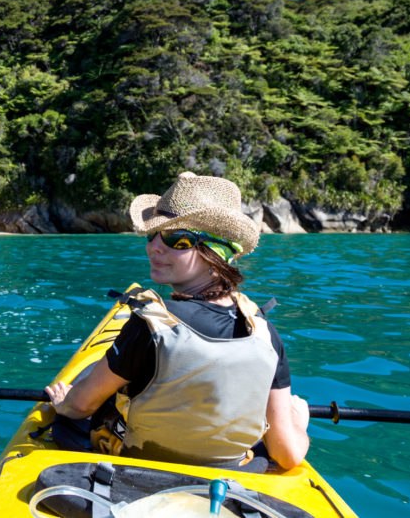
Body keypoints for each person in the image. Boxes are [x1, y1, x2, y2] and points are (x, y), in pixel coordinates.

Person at [45, 172, 311, 471]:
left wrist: (64, 402)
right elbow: (288, 454)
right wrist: (297, 422)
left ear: (216, 253)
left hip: (137, 466)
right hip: (228, 474)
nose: (154, 248)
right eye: (153, 235)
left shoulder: (152, 326)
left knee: (74, 415)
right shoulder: (266, 334)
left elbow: (81, 405)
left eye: (177, 240)